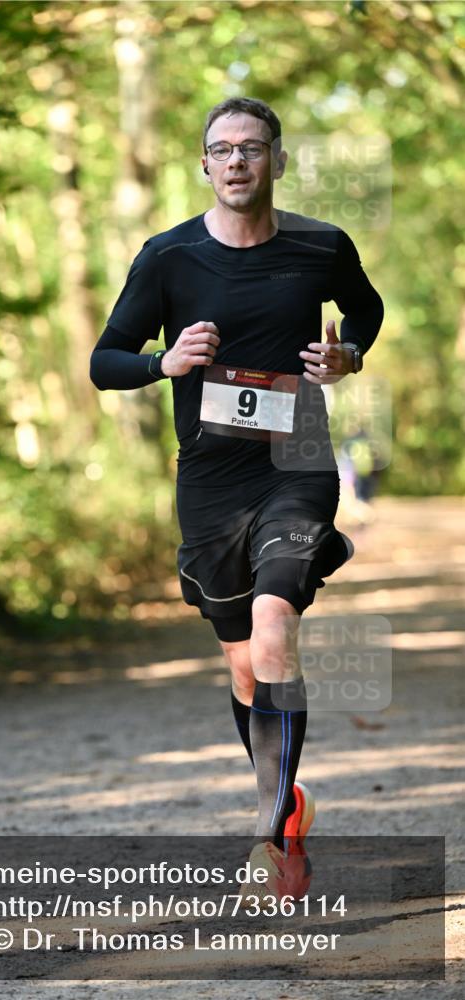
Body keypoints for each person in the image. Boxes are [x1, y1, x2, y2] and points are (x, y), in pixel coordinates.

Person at [89, 97, 383, 896]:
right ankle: (284, 798)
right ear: (204, 165)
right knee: (245, 666)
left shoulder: (320, 245)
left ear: (277, 160)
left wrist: (349, 354)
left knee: (273, 620)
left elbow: (363, 307)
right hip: (211, 480)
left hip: (296, 461)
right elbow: (104, 360)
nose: (237, 161)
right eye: (221, 149)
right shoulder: (168, 257)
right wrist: (163, 362)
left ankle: (269, 839)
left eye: (252, 148)